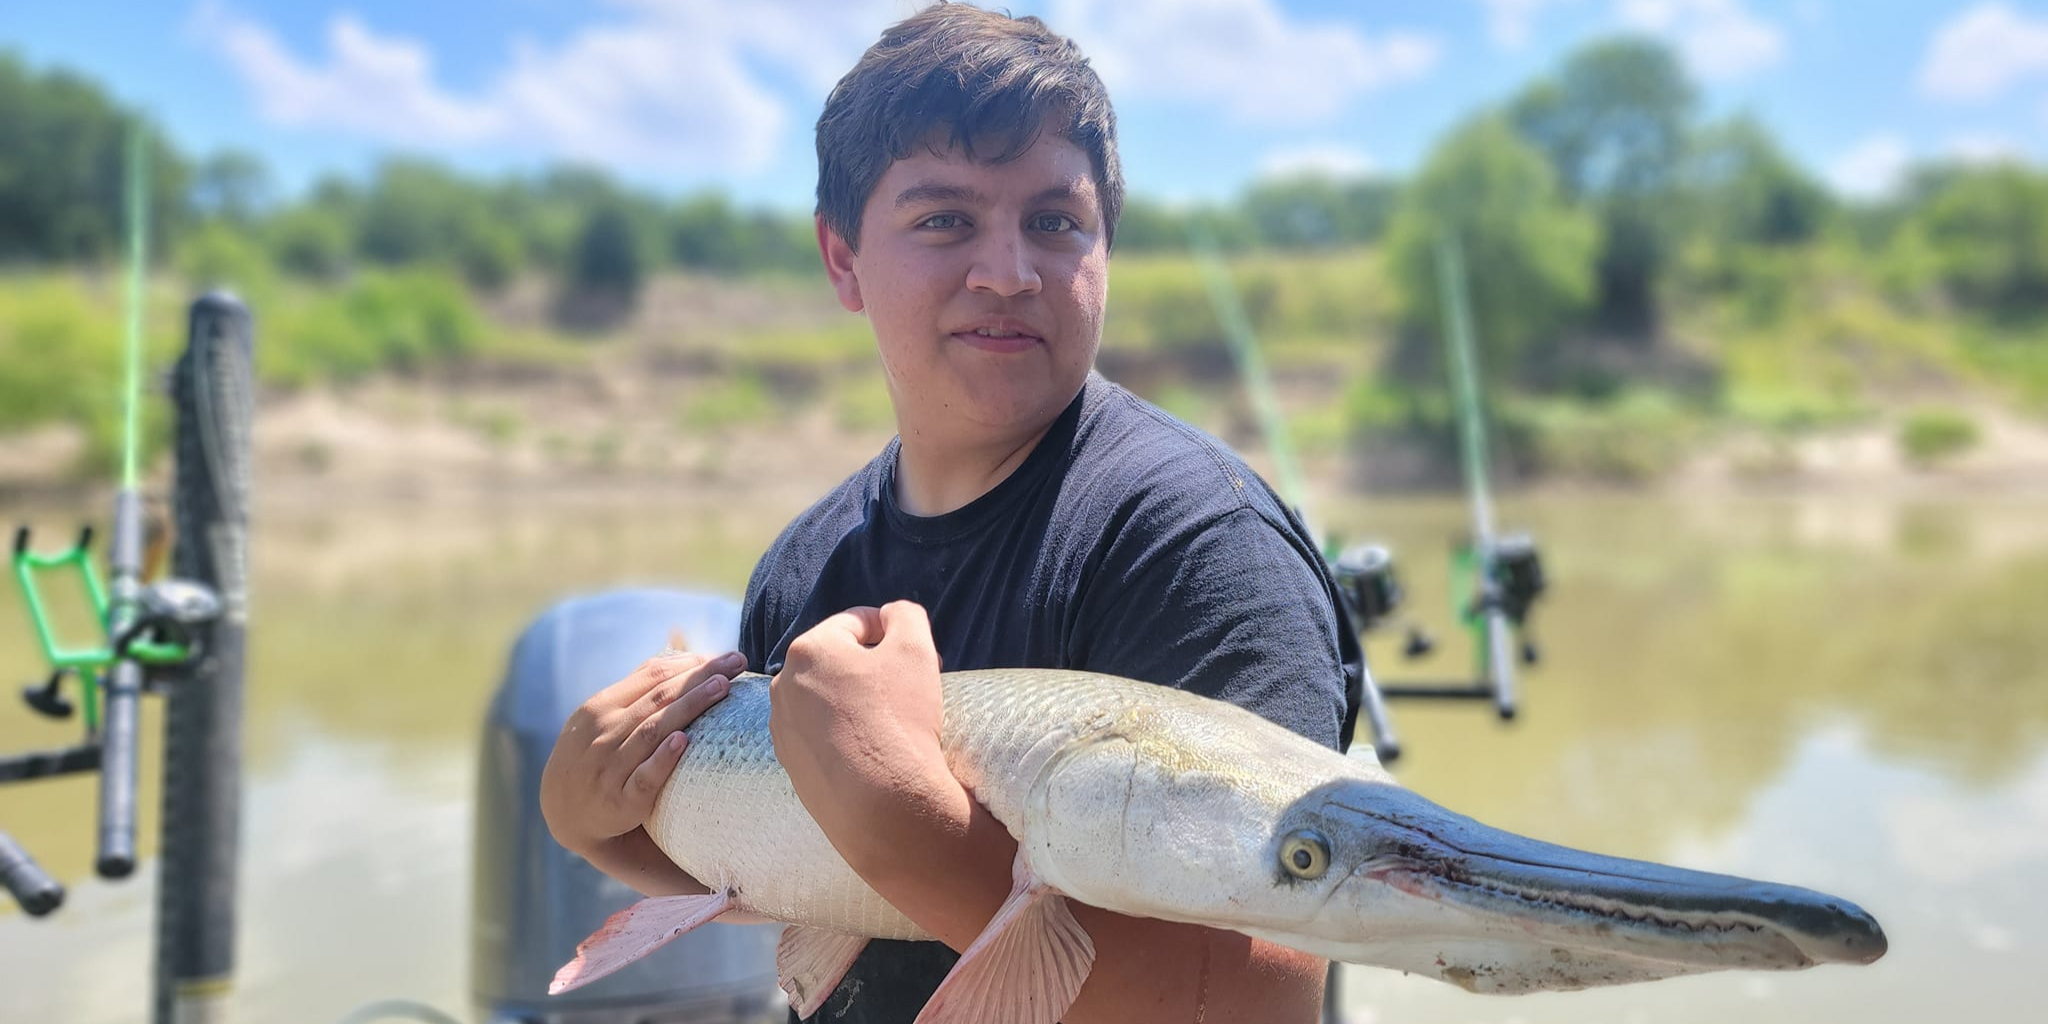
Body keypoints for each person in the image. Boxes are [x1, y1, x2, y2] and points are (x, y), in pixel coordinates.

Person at [539, 4, 1363, 1021]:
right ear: (842, 259)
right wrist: (598, 825)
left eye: (1054, 222)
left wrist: (901, 816)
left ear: (1105, 245)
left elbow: (1252, 1006)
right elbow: (788, 884)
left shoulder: (1198, 548)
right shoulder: (802, 567)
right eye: (944, 220)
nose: (1007, 273)